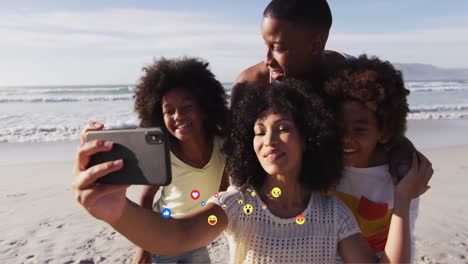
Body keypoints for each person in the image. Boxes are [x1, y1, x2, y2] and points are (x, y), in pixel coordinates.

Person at [73, 79, 432, 263]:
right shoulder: (240, 206)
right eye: (258, 132)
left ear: (308, 137)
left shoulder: (332, 214)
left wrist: (402, 199)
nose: (268, 140)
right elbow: (177, 235)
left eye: (283, 128)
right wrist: (118, 212)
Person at [232, 0, 428, 184]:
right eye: (266, 45)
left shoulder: (348, 77)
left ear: (315, 44)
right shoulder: (250, 85)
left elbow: (380, 125)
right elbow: (235, 156)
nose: (267, 59)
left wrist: (401, 146)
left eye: (278, 48)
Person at [78, 57, 230, 263]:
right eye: (169, 110)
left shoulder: (223, 147)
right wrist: (144, 248)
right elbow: (147, 198)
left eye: (187, 107)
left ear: (204, 109)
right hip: (162, 233)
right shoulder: (163, 153)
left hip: (196, 236)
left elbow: (223, 194)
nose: (177, 116)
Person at [323, 55, 421, 262]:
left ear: (384, 132)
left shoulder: (401, 175)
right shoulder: (322, 165)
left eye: (359, 130)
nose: (346, 139)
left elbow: (402, 246)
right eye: (338, 128)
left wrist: (404, 196)